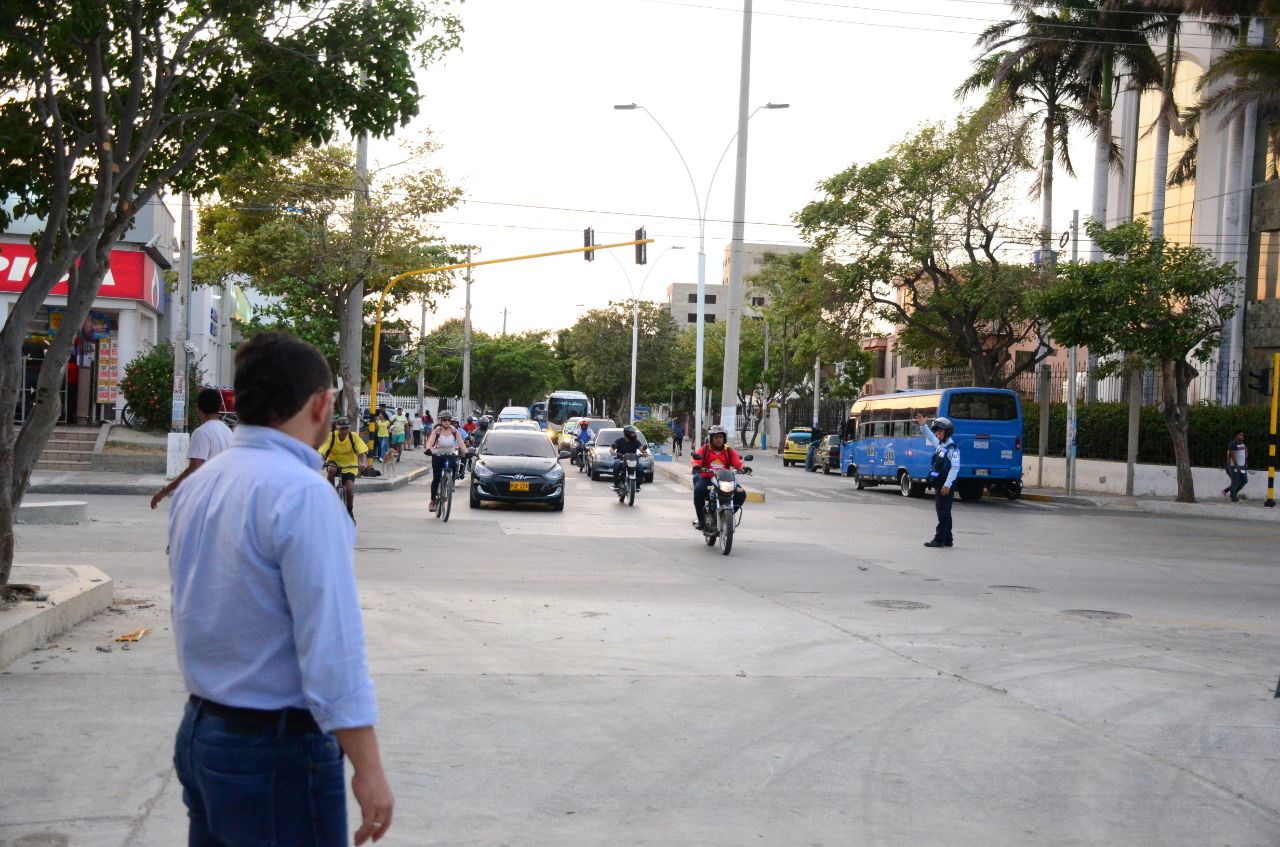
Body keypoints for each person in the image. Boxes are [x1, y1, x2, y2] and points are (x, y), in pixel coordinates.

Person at [168, 331, 393, 846]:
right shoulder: (303, 494)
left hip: (204, 731)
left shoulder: (201, 485)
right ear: (321, 404)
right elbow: (331, 649)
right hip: (275, 750)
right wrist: (369, 767)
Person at [150, 388, 234, 509]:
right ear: (220, 406)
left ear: (198, 408)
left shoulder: (201, 433)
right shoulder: (228, 431)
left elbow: (194, 468)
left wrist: (165, 490)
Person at [915, 412, 960, 548]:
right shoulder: (941, 445)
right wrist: (923, 426)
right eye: (937, 431)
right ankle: (948, 539)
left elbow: (955, 468)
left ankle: (939, 539)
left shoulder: (953, 449)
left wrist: (947, 484)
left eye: (940, 431)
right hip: (941, 482)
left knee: (942, 511)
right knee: (945, 511)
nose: (937, 434)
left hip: (946, 483)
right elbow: (931, 437)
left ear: (947, 432)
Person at [691, 425, 747, 530]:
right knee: (698, 491)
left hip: (724, 479)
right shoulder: (705, 449)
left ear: (724, 438)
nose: (719, 439)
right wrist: (697, 465)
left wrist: (743, 468)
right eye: (716, 437)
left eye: (721, 437)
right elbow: (696, 460)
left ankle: (727, 515)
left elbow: (737, 463)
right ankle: (701, 521)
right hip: (708, 479)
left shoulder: (729, 451)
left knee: (741, 494)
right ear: (711, 438)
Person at [321, 416, 369, 521]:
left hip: (350, 465)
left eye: (346, 428)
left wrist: (363, 463)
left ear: (349, 428)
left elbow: (362, 452)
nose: (344, 431)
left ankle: (349, 511)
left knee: (349, 488)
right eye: (341, 428)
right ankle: (332, 493)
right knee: (332, 470)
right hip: (333, 461)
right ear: (337, 428)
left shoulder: (353, 436)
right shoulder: (331, 436)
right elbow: (322, 451)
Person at [425, 409, 463, 512]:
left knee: (454, 465)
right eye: (444, 420)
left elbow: (461, 443)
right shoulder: (437, 430)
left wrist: (467, 452)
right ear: (441, 421)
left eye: (448, 420)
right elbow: (430, 441)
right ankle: (433, 501)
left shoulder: (454, 431)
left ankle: (450, 482)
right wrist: (428, 449)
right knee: (436, 478)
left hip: (449, 454)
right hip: (437, 455)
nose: (446, 422)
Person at [610, 425, 650, 491]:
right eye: (632, 433)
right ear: (627, 434)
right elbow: (611, 449)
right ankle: (616, 484)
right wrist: (613, 452)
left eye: (634, 433)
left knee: (640, 469)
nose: (634, 434)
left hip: (633, 460)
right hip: (621, 460)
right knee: (616, 464)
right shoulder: (619, 441)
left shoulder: (636, 441)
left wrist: (645, 453)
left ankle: (637, 486)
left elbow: (641, 449)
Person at [1223, 430, 1248, 502]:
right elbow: (1233, 457)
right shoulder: (1232, 444)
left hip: (1242, 466)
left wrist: (1245, 462)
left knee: (1244, 480)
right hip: (1234, 466)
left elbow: (1245, 452)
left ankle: (1232, 492)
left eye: (1242, 435)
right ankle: (1233, 498)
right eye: (1240, 435)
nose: (1242, 436)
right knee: (1235, 482)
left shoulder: (1242, 443)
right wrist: (1237, 467)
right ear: (1236, 436)